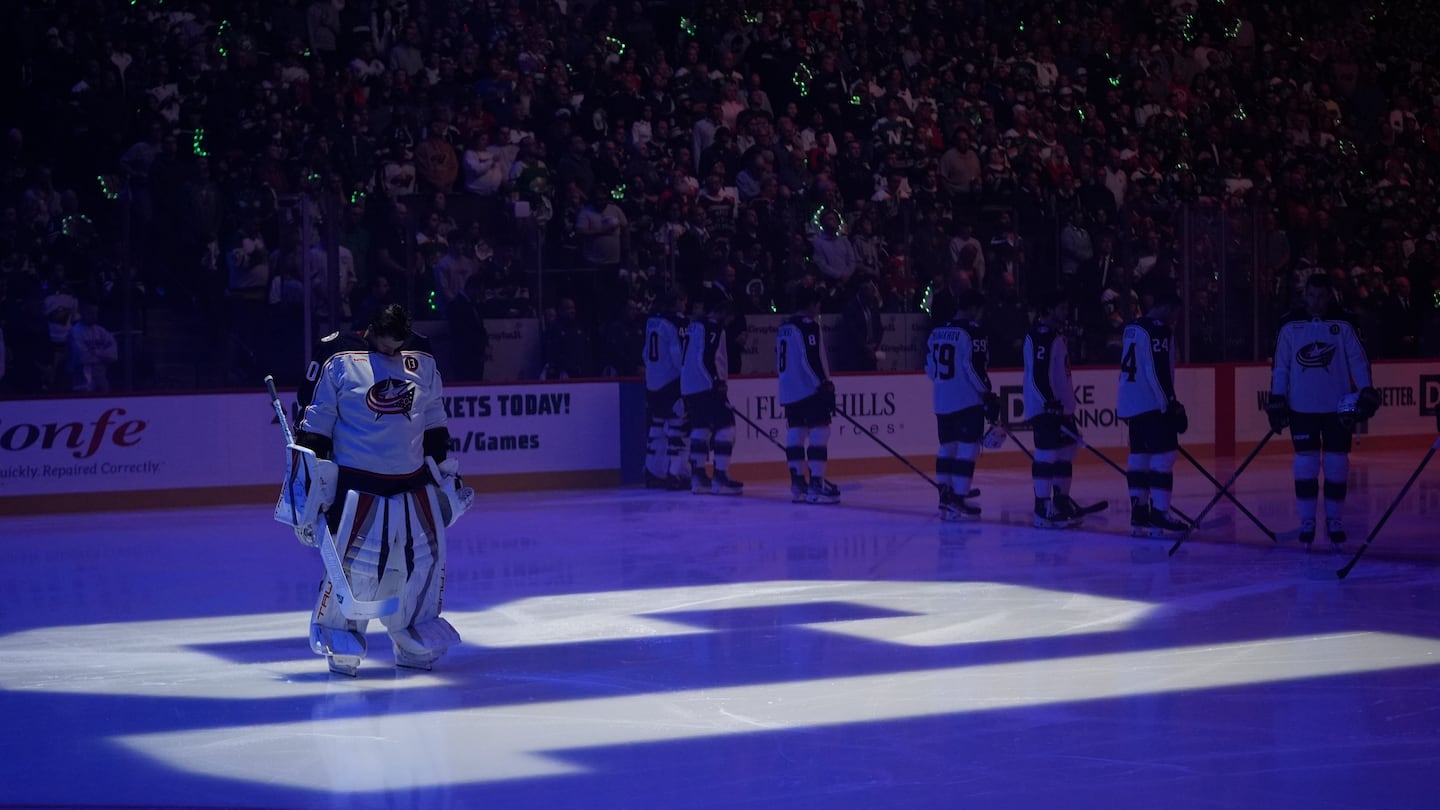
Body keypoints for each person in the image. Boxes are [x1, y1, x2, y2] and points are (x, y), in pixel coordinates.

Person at [291, 304, 466, 676]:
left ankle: (413, 635)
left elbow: (433, 414)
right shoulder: (337, 355)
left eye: (397, 347)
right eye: (387, 346)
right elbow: (315, 422)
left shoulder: (420, 354)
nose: (392, 354)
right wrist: (309, 486)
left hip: (413, 483)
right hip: (358, 485)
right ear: (370, 330)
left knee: (423, 564)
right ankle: (341, 638)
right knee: (357, 569)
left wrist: (442, 468)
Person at [1266, 274, 1379, 545]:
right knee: (1305, 464)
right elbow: (1281, 366)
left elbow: (1358, 361)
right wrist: (1277, 397)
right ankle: (1307, 521)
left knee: (1336, 463)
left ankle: (1334, 519)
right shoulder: (1289, 323)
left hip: (1337, 407)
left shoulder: (1345, 322)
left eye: (1321, 296)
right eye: (1311, 295)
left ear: (1330, 295)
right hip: (1301, 407)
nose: (1316, 301)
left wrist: (1366, 389)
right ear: (1305, 294)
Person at [1117, 294, 1191, 537]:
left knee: (1139, 456)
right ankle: (1160, 513)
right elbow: (1156, 371)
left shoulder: (1132, 328)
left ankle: (1139, 516)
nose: (1176, 318)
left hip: (1133, 403)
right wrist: (1170, 403)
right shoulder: (1160, 331)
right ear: (1165, 306)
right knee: (1164, 456)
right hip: (1152, 403)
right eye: (1175, 311)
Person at [925, 290, 999, 520]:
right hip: (966, 400)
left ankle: (945, 496)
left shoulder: (937, 331)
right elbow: (975, 368)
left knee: (946, 447)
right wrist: (986, 394)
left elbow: (929, 366)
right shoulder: (972, 331)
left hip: (941, 399)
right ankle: (958, 496)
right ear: (975, 308)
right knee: (968, 449)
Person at [1022, 291, 1083, 529]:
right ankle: (1042, 506)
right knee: (1046, 454)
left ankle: (1061, 500)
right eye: (1061, 307)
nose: (1065, 312)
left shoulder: (1056, 336)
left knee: (1067, 451)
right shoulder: (1041, 336)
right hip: (1048, 408)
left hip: (1061, 406)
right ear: (1047, 310)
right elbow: (1038, 374)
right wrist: (1049, 401)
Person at [777, 287, 840, 504]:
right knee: (820, 431)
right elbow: (810, 357)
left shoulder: (784, 327)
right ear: (811, 304)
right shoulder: (808, 326)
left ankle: (797, 482)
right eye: (818, 304)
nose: (819, 308)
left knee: (796, 431)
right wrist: (823, 383)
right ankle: (816, 481)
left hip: (789, 389)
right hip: (809, 389)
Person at [681, 297, 743, 495]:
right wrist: (716, 380)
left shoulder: (693, 326)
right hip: (707, 386)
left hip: (689, 386)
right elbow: (707, 356)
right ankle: (721, 475)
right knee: (727, 427)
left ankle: (698, 477)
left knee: (700, 427)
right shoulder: (714, 327)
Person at [643, 289, 690, 489]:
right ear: (678, 300)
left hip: (652, 382)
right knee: (679, 426)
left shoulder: (652, 321)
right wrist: (687, 377)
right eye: (684, 300)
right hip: (671, 382)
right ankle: (676, 472)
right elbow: (678, 355)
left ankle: (653, 471)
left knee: (657, 428)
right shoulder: (678, 322)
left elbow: (645, 353)